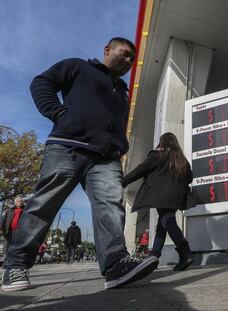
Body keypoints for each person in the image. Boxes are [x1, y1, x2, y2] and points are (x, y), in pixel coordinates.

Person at [1, 37, 159, 292]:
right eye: (124, 53)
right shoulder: (78, 67)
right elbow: (41, 82)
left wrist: (120, 145)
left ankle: (115, 264)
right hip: (68, 146)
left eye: (132, 57)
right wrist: (58, 112)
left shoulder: (121, 91)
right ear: (107, 50)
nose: (129, 60)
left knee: (111, 206)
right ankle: (15, 265)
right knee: (45, 203)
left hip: (106, 157)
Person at [122, 132, 194, 271]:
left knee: (168, 220)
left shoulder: (157, 155)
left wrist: (124, 181)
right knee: (163, 224)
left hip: (161, 196)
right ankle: (153, 257)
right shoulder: (181, 159)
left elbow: (140, 170)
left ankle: (186, 253)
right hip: (176, 197)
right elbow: (189, 178)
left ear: (162, 143)